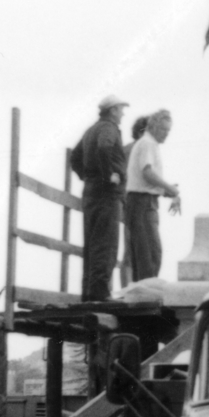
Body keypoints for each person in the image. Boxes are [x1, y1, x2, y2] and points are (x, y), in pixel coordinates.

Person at [70, 95, 129, 302]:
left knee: (92, 244)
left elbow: (74, 157)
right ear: (113, 110)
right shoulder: (109, 128)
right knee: (106, 244)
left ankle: (89, 292)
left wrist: (88, 176)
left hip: (90, 192)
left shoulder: (90, 130)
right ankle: (100, 293)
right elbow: (105, 147)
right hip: (107, 195)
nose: (123, 113)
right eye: (121, 109)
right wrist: (108, 176)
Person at [124, 109, 181, 281]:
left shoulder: (147, 143)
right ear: (154, 127)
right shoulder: (148, 143)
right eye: (164, 130)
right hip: (143, 204)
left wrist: (168, 191)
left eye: (168, 131)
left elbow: (146, 181)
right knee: (150, 254)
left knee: (145, 255)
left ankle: (142, 293)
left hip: (142, 202)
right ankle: (146, 297)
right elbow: (147, 173)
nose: (166, 134)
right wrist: (171, 189)